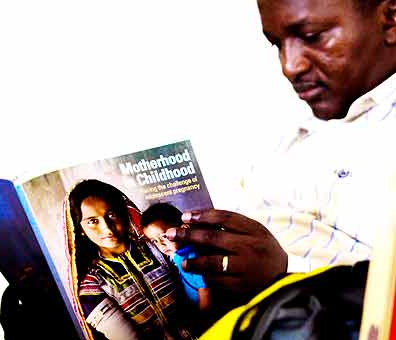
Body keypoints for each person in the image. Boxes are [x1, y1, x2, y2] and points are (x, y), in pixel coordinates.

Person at [164, 0, 396, 306]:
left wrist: (285, 273)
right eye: (277, 44)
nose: (290, 66)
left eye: (312, 36)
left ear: (391, 19)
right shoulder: (285, 145)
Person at [64, 179, 196, 340]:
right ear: (81, 230)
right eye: (93, 221)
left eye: (111, 214)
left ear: (123, 213)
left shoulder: (159, 248)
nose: (106, 227)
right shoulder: (91, 287)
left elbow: (197, 286)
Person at [140, 203, 211, 314]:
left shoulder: (192, 257)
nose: (160, 244)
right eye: (154, 241)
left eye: (163, 236)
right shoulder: (178, 254)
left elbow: (205, 289)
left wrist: (205, 318)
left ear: (184, 228)